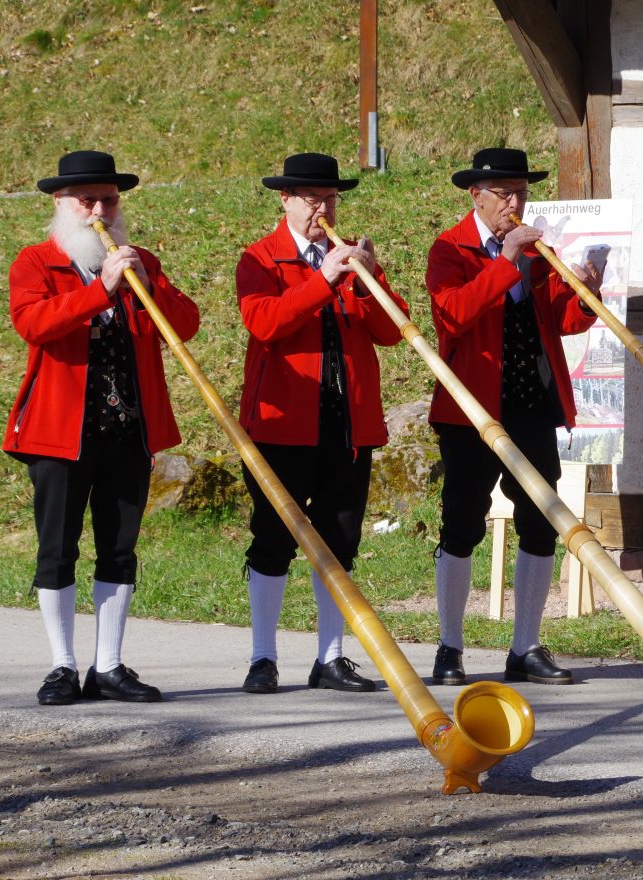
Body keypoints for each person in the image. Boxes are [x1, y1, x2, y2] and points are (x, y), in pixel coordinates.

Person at [5, 150, 200, 706]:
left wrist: (147, 283)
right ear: (60, 203)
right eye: (86, 200)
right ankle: (62, 666)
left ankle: (108, 666)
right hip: (59, 431)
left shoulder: (142, 262)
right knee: (57, 548)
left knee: (119, 548)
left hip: (127, 428)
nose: (99, 211)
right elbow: (33, 323)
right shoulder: (36, 262)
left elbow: (186, 325)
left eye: (109, 201)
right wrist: (101, 291)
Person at [425, 148, 603, 687]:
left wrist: (586, 293)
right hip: (471, 409)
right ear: (476, 196)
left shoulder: (537, 250)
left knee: (540, 520)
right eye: (504, 193)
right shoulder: (450, 248)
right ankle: (450, 647)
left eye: (522, 192)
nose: (515, 203)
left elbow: (562, 322)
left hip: (530, 404)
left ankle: (525, 646)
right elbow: (453, 314)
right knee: (462, 524)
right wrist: (505, 261)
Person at [234, 153, 409, 695]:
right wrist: (324, 279)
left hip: (347, 422)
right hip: (281, 424)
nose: (323, 208)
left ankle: (330, 658)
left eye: (330, 198)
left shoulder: (351, 256)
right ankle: (263, 658)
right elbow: (264, 323)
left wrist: (368, 279)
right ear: (285, 199)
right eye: (311, 198)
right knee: (272, 540)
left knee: (339, 542)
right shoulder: (259, 258)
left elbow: (392, 331)